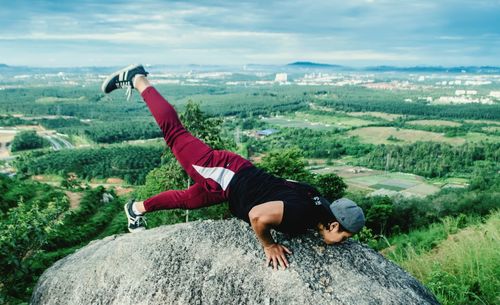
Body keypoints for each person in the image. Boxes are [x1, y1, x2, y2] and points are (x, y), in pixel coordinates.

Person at [101, 64, 366, 270]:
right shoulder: (303, 212)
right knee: (174, 132)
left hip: (230, 183)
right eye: (345, 236)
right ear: (332, 226)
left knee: (188, 200)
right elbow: (258, 217)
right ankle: (138, 79)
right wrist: (269, 245)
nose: (345, 242)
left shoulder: (316, 198)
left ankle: (135, 209)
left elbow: (286, 185)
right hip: (222, 172)